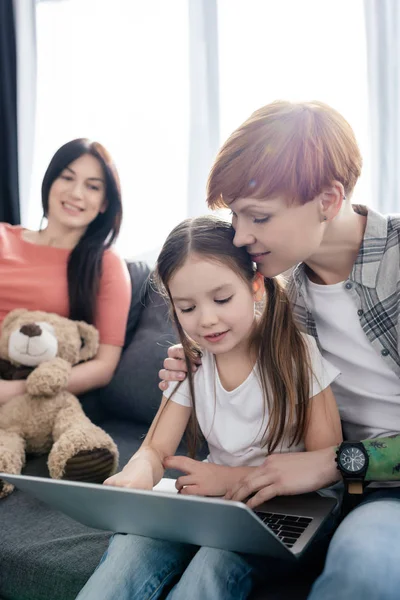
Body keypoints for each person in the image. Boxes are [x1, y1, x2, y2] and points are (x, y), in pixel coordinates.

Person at [159, 100, 400, 600]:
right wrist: (196, 355)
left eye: (259, 217)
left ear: (328, 199)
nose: (240, 236)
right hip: (340, 496)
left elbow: (326, 461)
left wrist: (338, 460)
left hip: (375, 490)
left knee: (366, 566)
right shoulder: (280, 292)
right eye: (236, 216)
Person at [76, 215, 342, 600]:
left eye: (222, 299)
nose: (207, 320)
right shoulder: (191, 362)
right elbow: (154, 449)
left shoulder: (296, 354)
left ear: (254, 286)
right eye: (187, 308)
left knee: (214, 561)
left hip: (287, 512)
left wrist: (230, 480)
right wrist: (135, 478)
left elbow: (328, 466)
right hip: (214, 509)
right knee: (130, 551)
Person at [0, 138, 131, 404]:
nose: (76, 193)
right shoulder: (2, 236)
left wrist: (14, 392)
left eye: (92, 186)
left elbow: (104, 367)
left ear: (105, 202)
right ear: (50, 183)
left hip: (27, 394)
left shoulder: (106, 265)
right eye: (67, 178)